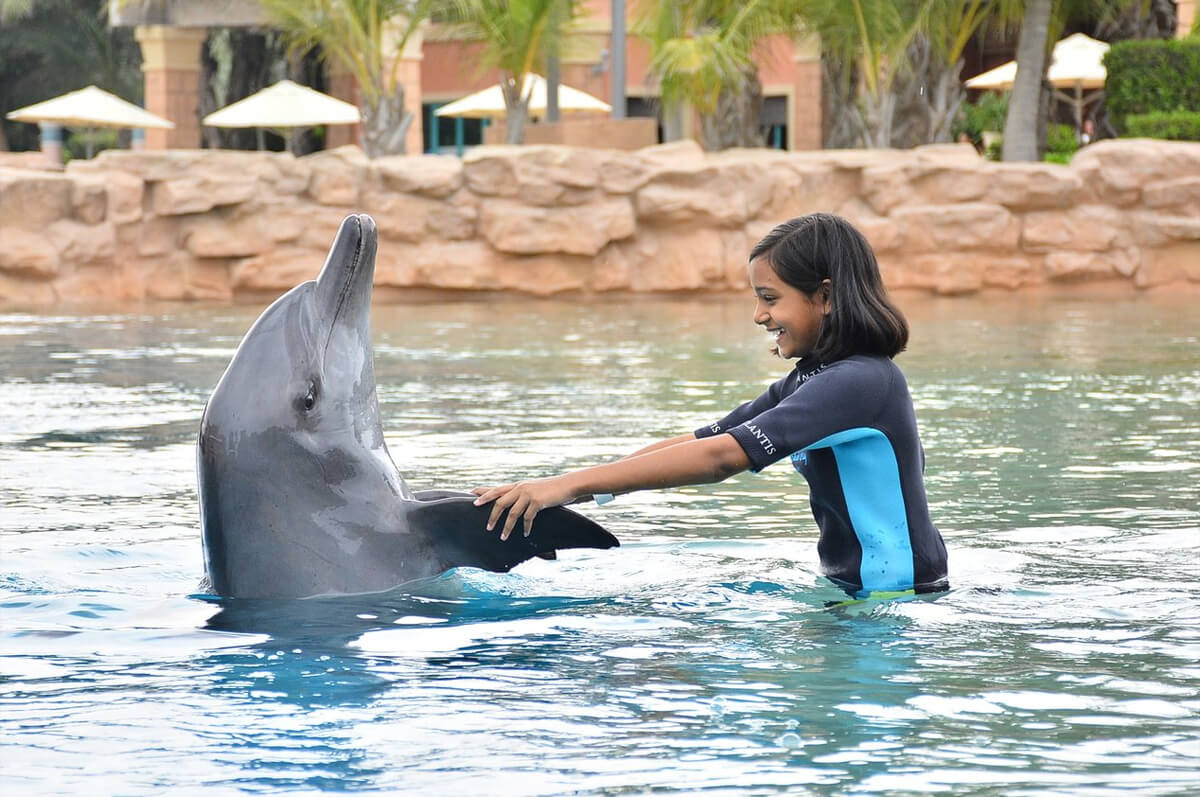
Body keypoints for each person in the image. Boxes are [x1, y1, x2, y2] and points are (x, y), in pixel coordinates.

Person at [472, 213, 949, 597]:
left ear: (824, 296)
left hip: (898, 603)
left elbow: (722, 458)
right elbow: (706, 439)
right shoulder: (813, 378)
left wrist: (568, 485)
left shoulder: (861, 383)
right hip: (856, 595)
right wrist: (569, 487)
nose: (759, 315)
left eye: (769, 298)